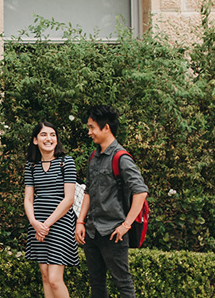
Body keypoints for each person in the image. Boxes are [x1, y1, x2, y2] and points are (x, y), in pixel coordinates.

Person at [75, 105, 148, 298]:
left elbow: (140, 192)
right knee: (96, 285)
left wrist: (126, 225)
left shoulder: (121, 158)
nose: (89, 132)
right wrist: (80, 222)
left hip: (114, 233)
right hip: (92, 232)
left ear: (106, 127)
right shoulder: (94, 156)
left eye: (92, 127)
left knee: (123, 283)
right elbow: (88, 191)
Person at [24, 121, 80, 298]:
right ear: (35, 140)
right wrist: (34, 223)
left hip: (60, 224)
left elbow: (69, 199)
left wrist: (45, 225)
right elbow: (28, 199)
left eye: (52, 135)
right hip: (37, 224)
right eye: (43, 135)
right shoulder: (31, 166)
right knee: (46, 276)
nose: (49, 138)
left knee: (55, 279)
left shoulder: (66, 162)